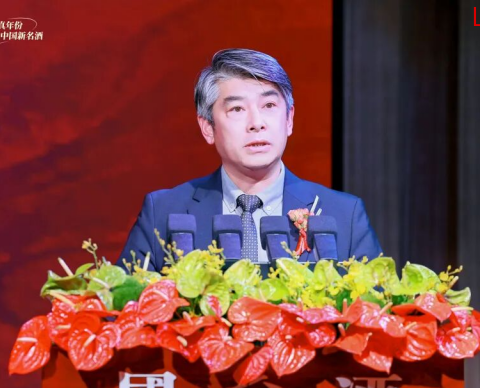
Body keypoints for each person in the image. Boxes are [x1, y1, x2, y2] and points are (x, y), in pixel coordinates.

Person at [118, 48, 382, 271]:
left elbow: (375, 309)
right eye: (237, 109)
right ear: (208, 127)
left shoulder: (344, 214)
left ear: (289, 119)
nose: (257, 123)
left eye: (269, 106)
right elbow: (125, 308)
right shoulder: (163, 212)